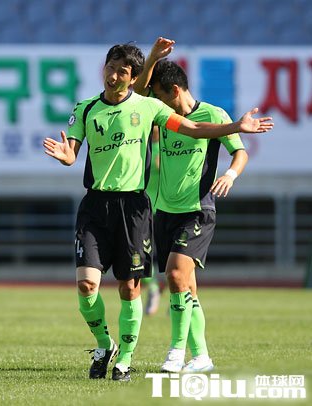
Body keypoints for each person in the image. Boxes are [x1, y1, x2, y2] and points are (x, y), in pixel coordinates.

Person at [43, 43, 272, 382]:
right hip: (118, 207)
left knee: (151, 284)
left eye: (122, 71)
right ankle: (118, 346)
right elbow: (76, 148)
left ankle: (145, 357)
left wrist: (236, 132)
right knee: (96, 285)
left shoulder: (163, 109)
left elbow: (196, 130)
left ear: (136, 79)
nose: (113, 76)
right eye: (110, 68)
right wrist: (67, 155)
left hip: (159, 208)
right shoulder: (90, 108)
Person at [133, 37, 249, 373]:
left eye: (159, 96)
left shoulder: (213, 114)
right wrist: (153, 57)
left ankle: (176, 352)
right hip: (165, 212)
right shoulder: (165, 117)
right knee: (187, 287)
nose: (155, 102)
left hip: (197, 210)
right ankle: (201, 357)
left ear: (173, 90)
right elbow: (137, 96)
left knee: (174, 275)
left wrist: (230, 174)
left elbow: (239, 152)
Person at [142, 127, 164, 316]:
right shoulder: (141, 147)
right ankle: (153, 288)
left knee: (175, 259)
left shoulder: (168, 147)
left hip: (166, 210)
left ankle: (177, 299)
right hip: (143, 211)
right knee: (140, 257)